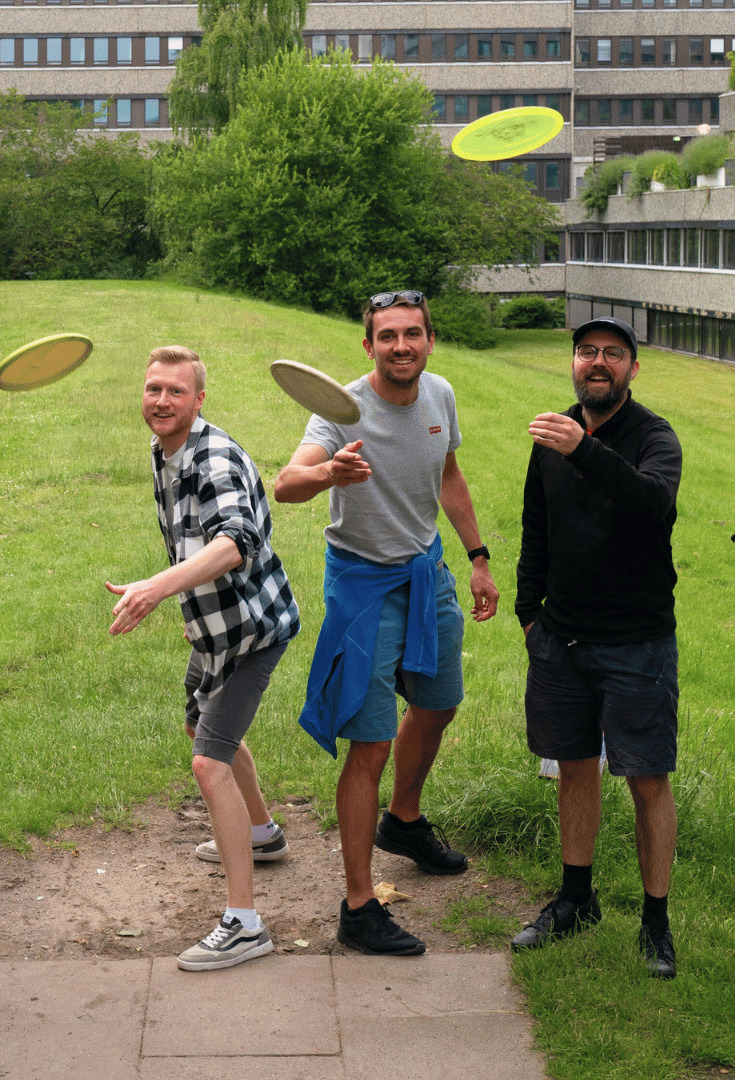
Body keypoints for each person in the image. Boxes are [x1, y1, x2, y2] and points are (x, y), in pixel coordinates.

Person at [275, 289, 499, 957]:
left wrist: (478, 557)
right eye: (388, 336)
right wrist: (329, 476)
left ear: (430, 341)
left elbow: (449, 475)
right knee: (368, 745)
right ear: (368, 345)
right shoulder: (341, 410)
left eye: (413, 334)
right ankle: (358, 905)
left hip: (426, 572)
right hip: (364, 585)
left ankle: (402, 821)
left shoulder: (440, 395)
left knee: (439, 705)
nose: (402, 345)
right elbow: (286, 483)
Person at [104, 347, 301, 971]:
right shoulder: (168, 451)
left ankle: (245, 924)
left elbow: (234, 543)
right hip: (214, 629)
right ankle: (263, 834)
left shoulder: (213, 458)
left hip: (250, 632)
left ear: (199, 400)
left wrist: (157, 588)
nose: (162, 401)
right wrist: (184, 601)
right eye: (153, 388)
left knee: (207, 761)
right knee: (200, 726)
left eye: (176, 392)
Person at [510, 318, 684, 978]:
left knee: (646, 779)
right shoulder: (553, 433)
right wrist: (531, 614)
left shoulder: (653, 437)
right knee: (574, 767)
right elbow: (536, 526)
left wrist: (583, 448)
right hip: (561, 639)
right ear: (574, 363)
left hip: (637, 643)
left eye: (614, 353)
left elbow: (652, 506)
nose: (599, 362)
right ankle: (576, 899)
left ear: (634, 369)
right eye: (588, 352)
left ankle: (655, 921)